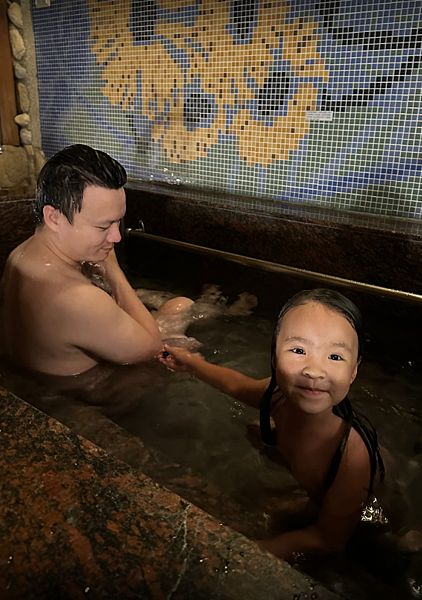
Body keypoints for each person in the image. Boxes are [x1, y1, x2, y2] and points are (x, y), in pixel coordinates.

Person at [159, 288, 385, 561]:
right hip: (318, 485)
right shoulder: (276, 394)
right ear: (275, 358)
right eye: (299, 350)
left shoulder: (352, 459)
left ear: (354, 371)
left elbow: (328, 540)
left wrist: (238, 552)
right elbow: (236, 384)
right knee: (257, 429)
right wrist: (191, 364)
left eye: (335, 356)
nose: (314, 370)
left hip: (373, 511)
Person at [0, 144, 189, 376]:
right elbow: (151, 349)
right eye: (102, 226)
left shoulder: (21, 254)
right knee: (181, 306)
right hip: (91, 395)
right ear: (53, 217)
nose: (116, 237)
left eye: (117, 222)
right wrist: (114, 272)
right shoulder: (76, 299)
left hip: (32, 375)